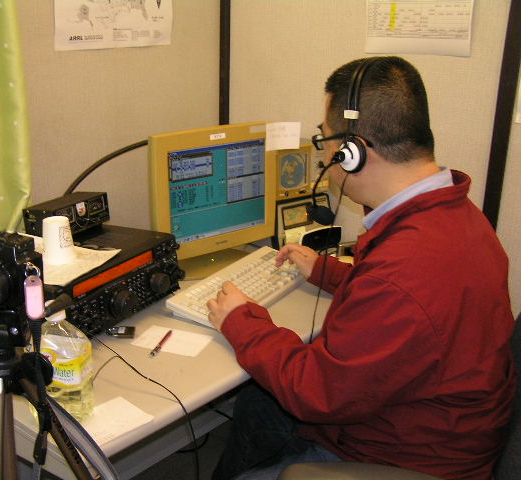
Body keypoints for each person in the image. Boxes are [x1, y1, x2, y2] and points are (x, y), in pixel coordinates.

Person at [207, 56, 516, 480]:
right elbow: (411, 306)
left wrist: (242, 322)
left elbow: (315, 393)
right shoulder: (452, 214)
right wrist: (328, 273)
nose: (325, 154)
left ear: (352, 153)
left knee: (270, 394)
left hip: (402, 457)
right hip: (432, 421)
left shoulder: (403, 271)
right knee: (258, 400)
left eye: (325, 140)